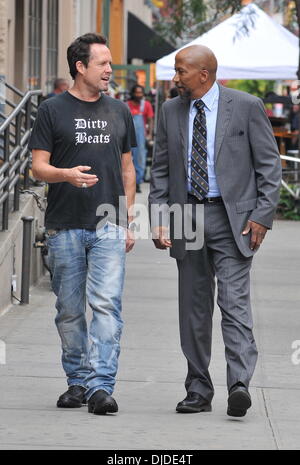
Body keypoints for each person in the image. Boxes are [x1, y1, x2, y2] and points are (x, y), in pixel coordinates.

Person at [149, 45, 281, 418]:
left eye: (181, 72)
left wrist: (262, 216)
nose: (175, 79)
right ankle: (198, 388)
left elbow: (269, 167)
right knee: (193, 307)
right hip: (185, 215)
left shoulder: (245, 106)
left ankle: (239, 383)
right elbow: (160, 171)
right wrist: (160, 217)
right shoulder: (170, 111)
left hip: (233, 219)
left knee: (234, 304)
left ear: (203, 74)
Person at [29, 33, 136, 415]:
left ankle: (101, 387)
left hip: (108, 225)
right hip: (64, 224)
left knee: (107, 306)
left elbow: (127, 169)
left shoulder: (119, 111)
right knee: (70, 310)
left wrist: (126, 220)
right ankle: (77, 381)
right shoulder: (51, 110)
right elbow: (37, 166)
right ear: (80, 66)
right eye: (102, 64)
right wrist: (65, 174)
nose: (110, 70)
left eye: (110, 63)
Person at [127, 84, 154, 193]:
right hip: (127, 137)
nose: (139, 94)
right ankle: (127, 182)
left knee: (140, 160)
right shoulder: (126, 105)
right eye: (136, 92)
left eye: (140, 92)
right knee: (127, 160)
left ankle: (137, 182)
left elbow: (150, 120)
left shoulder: (146, 105)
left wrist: (150, 134)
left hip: (140, 137)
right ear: (132, 93)